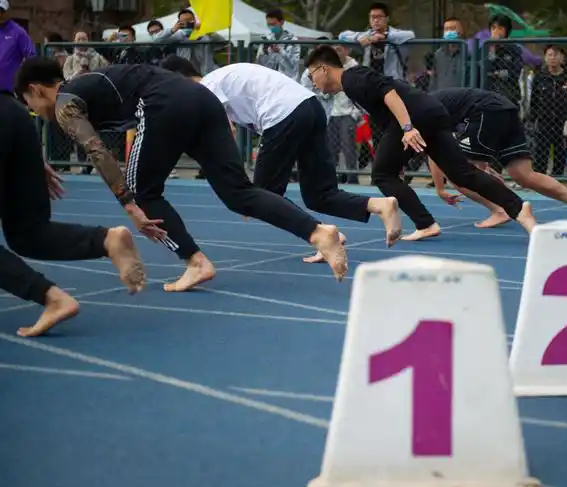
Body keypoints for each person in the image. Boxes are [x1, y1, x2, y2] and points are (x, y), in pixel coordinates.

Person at [15, 58, 348, 289]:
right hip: (203, 100)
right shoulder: (87, 87)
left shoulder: (64, 102)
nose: (35, 111)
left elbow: (96, 149)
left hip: (164, 101)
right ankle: (319, 233)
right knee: (237, 192)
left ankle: (195, 262)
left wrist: (128, 203)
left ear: (38, 89)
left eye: (30, 103)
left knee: (142, 191)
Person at [159, 56, 401, 264]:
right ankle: (379, 205)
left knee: (256, 197)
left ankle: (324, 234)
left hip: (283, 115)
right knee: (319, 194)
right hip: (311, 108)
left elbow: (225, 131)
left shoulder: (207, 87)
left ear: (179, 79)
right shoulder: (222, 77)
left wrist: (232, 177)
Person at [304, 45, 537, 240]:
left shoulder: (352, 77)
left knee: (382, 176)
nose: (313, 82)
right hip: (431, 113)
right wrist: (399, 152)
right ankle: (518, 208)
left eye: (312, 75)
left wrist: (407, 128)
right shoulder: (352, 86)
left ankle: (424, 223)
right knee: (462, 174)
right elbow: (384, 115)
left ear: (323, 68)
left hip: (417, 116)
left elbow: (390, 94)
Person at [0, 90, 147, 337]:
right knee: (28, 232)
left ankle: (53, 298)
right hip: (12, 113)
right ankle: (106, 239)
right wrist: (28, 159)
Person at [428, 87, 567, 226]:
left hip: (486, 111)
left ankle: (500, 210)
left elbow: (436, 150)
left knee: (460, 175)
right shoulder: (422, 105)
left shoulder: (418, 113)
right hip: (504, 109)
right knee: (523, 175)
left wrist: (440, 189)